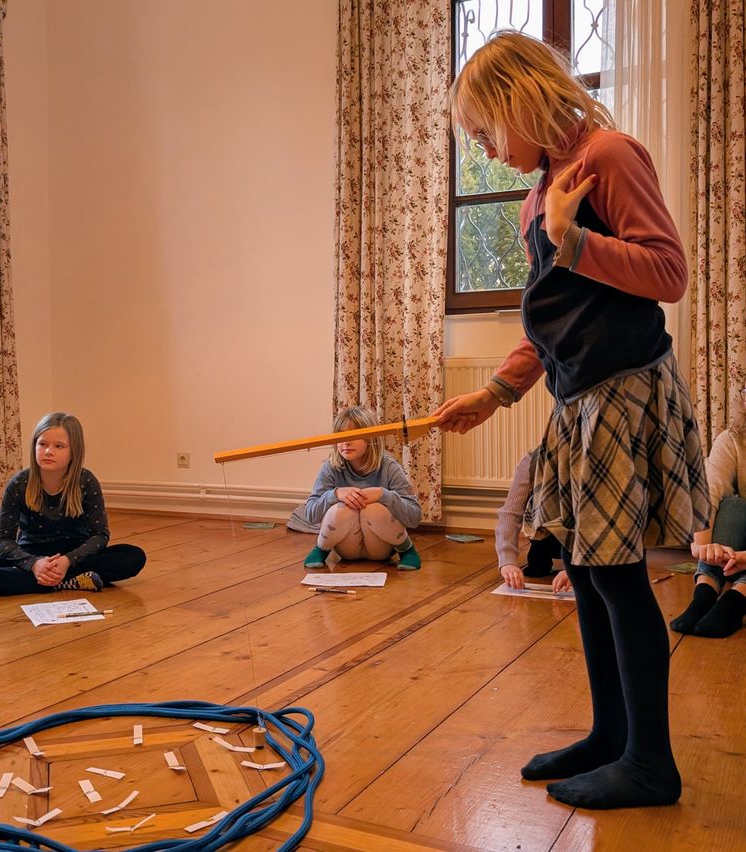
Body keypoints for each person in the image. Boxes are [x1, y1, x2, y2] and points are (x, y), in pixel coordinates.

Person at [435, 32, 709, 810]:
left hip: (622, 390)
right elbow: (554, 314)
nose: (486, 150)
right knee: (584, 571)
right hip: (577, 397)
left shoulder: (609, 157)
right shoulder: (540, 192)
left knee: (616, 575)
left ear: (520, 100)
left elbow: (669, 273)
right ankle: (611, 736)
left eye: (486, 130)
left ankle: (650, 764)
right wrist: (496, 393)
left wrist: (573, 238)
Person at [0, 412, 146, 596]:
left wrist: (67, 561)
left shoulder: (86, 481)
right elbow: (4, 540)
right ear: (34, 446)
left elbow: (100, 535)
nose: (48, 451)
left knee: (133, 556)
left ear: (74, 451)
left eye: (59, 446)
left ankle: (48, 581)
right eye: (42, 444)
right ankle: (69, 581)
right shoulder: (19, 484)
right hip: (31, 556)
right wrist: (34, 564)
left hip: (75, 556)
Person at [301, 406, 422, 570]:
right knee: (343, 510)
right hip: (347, 548)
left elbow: (415, 517)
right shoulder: (331, 466)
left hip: (381, 546)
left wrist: (383, 495)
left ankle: (407, 550)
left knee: (372, 509)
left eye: (354, 435)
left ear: (370, 438)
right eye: (341, 436)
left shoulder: (388, 466)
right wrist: (335, 494)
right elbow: (310, 515)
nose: (346, 442)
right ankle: (321, 549)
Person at [671, 384, 746, 638]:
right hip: (733, 553)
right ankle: (705, 592)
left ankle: (737, 599)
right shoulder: (732, 439)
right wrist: (703, 548)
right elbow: (708, 494)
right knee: (733, 507)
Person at [497, 449, 571, 594]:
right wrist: (507, 561)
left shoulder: (590, 459)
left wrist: (576, 568)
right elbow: (510, 513)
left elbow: (595, 520)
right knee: (536, 568)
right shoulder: (532, 461)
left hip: (581, 538)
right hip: (545, 536)